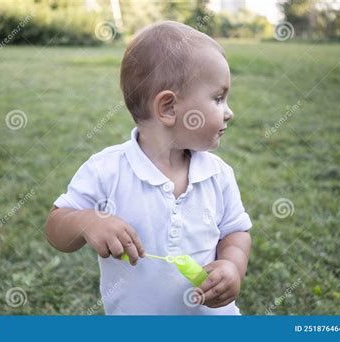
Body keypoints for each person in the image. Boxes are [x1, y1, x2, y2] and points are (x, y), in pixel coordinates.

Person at [45, 21, 252, 315]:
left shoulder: (218, 175)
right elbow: (56, 227)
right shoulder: (107, 171)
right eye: (218, 98)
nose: (229, 112)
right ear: (168, 108)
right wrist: (87, 221)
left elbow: (236, 233)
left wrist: (232, 266)